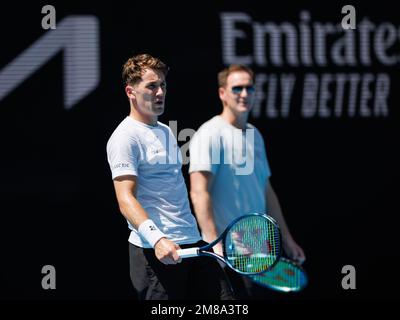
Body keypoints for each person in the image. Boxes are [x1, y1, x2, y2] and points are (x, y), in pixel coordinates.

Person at [106, 54, 233, 300]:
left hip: (193, 244)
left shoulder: (165, 131)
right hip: (154, 252)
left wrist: (201, 237)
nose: (160, 92)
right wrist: (158, 239)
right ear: (130, 92)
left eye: (162, 85)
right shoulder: (124, 137)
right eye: (151, 86)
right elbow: (125, 199)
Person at [188, 64, 306, 299]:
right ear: (223, 93)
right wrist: (212, 240)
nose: (244, 94)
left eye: (249, 88)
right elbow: (199, 191)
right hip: (228, 254)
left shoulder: (255, 135)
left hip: (261, 250)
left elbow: (265, 189)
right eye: (237, 88)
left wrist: (287, 237)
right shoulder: (209, 133)